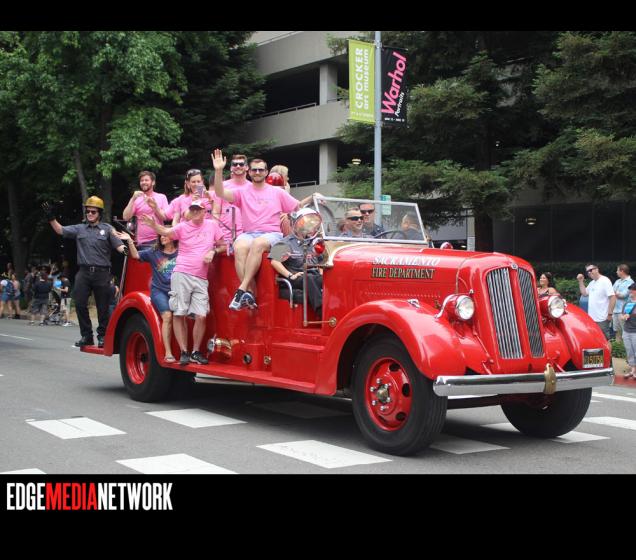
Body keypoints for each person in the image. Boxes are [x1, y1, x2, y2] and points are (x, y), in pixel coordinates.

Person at [211, 149, 317, 311]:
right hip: (249, 234)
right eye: (254, 170)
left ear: (266, 172)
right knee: (239, 246)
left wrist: (314, 197)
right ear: (249, 172)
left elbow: (297, 206)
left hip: (272, 234)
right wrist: (218, 170)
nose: (257, 172)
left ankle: (242, 289)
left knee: (258, 243)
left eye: (261, 170)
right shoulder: (242, 192)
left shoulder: (277, 192)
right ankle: (250, 293)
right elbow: (219, 192)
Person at [141, 199, 224, 366]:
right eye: (192, 210)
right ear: (189, 212)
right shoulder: (183, 227)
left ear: (204, 211)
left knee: (201, 315)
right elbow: (165, 231)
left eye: (198, 209)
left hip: (201, 277)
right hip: (181, 273)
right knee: (179, 313)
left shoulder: (212, 226)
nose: (195, 212)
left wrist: (213, 251)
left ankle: (195, 352)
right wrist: (153, 224)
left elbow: (223, 245)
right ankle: (184, 351)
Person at [42, 196, 127, 348]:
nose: (90, 214)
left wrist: (129, 247)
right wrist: (51, 218)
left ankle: (103, 336)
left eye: (93, 212)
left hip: (102, 272)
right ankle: (87, 336)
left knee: (103, 307)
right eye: (88, 211)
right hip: (84, 272)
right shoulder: (80, 228)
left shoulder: (108, 229)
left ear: (99, 213)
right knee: (80, 304)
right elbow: (60, 230)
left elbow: (120, 247)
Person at [117, 231, 179, 363]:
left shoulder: (181, 252)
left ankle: (184, 352)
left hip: (177, 291)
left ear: (173, 237)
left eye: (165, 235)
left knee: (182, 317)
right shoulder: (154, 252)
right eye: (161, 235)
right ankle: (168, 352)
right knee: (167, 316)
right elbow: (135, 255)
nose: (162, 237)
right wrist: (129, 240)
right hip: (159, 291)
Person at [269, 209, 324, 317]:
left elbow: (321, 262)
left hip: (314, 276)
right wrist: (290, 275)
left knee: (333, 278)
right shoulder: (284, 242)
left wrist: (322, 274)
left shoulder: (314, 243)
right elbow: (274, 261)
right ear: (296, 225)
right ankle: (321, 311)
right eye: (306, 224)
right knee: (309, 278)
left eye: (311, 225)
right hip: (297, 277)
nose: (310, 228)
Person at [122, 171, 169, 249]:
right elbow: (125, 217)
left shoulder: (161, 197)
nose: (143, 182)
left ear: (153, 182)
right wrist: (132, 198)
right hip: (142, 242)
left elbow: (165, 218)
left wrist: (155, 207)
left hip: (159, 240)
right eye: (142, 180)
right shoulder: (136, 199)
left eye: (146, 180)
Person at [211, 154, 247, 246]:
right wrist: (215, 233)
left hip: (246, 235)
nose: (238, 166)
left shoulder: (252, 187)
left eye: (241, 164)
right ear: (231, 168)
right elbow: (216, 211)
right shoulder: (222, 186)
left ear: (247, 167)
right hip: (224, 235)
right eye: (235, 164)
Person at [576, 264, 616, 340]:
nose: (589, 272)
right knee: (595, 340)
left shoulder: (605, 280)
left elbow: (613, 297)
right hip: (592, 318)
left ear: (597, 269)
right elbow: (584, 293)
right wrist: (580, 281)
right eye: (587, 271)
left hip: (602, 318)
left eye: (591, 270)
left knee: (605, 340)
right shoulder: (592, 283)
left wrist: (610, 314)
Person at [612, 264, 633, 344]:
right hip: (615, 310)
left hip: (624, 311)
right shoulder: (617, 281)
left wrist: (614, 293)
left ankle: (627, 349)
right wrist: (615, 293)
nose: (616, 272)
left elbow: (623, 295)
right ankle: (619, 348)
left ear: (622, 271)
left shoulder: (630, 282)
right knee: (617, 331)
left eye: (617, 270)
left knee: (626, 332)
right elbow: (612, 292)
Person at [621, 283, 636, 379]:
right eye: (630, 289)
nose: (630, 291)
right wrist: (623, 317)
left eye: (633, 290)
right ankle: (633, 370)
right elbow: (621, 316)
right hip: (626, 331)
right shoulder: (627, 303)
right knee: (629, 351)